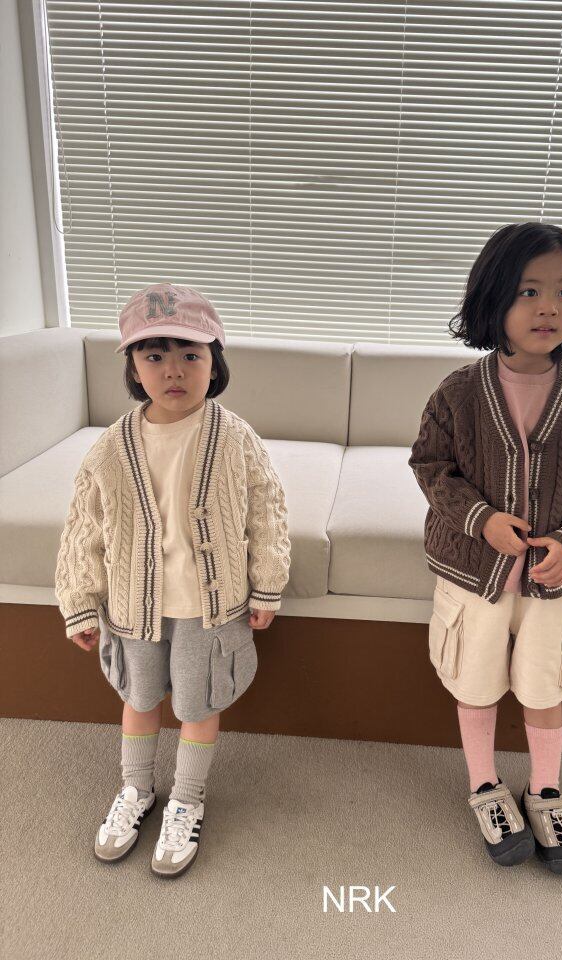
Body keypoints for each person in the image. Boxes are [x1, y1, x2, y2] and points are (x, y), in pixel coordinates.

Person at [408, 222, 562, 875]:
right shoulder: (457, 392)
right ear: (493, 297)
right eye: (529, 291)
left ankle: (545, 792)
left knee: (544, 686)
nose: (548, 307)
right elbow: (431, 467)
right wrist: (480, 520)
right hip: (472, 576)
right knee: (475, 683)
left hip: (556, 581)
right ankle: (485, 786)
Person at [55, 282, 291, 878]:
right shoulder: (111, 448)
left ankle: (187, 798)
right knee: (138, 699)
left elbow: (267, 513)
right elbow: (84, 528)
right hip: (134, 605)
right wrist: (79, 602)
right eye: (154, 355)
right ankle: (136, 789)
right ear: (134, 368)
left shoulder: (234, 438)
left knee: (197, 702)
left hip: (209, 608)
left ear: (215, 363)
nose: (174, 370)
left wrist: (266, 584)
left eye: (191, 354)